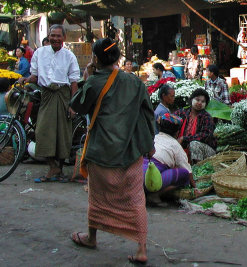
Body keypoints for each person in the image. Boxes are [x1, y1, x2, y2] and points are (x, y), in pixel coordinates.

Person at [69, 38, 155, 264]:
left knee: (97, 197)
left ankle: (91, 237)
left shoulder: (94, 81)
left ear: (96, 59)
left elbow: (77, 106)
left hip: (101, 150)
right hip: (132, 149)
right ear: (118, 57)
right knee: (136, 198)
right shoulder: (135, 82)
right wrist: (149, 144)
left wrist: (86, 76)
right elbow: (147, 114)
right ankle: (142, 249)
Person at [18, 24, 80, 183]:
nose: (55, 39)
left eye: (59, 36)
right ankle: (53, 167)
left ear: (64, 38)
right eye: (53, 35)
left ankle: (56, 170)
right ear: (49, 36)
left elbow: (74, 83)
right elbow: (35, 76)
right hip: (46, 95)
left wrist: (73, 105)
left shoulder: (69, 56)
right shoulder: (39, 53)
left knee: (62, 134)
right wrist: (25, 79)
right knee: (43, 132)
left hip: (64, 95)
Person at [143, 113, 197, 205]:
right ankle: (155, 194)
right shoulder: (175, 144)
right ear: (177, 132)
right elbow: (187, 170)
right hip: (149, 184)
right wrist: (195, 187)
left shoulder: (154, 138)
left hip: (136, 180)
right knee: (184, 174)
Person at [174, 88, 216, 162]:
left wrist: (184, 139)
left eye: (203, 101)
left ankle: (196, 170)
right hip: (181, 146)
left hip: (205, 151)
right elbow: (170, 121)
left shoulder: (207, 117)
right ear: (191, 99)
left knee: (194, 144)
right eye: (197, 100)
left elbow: (205, 135)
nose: (199, 103)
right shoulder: (181, 113)